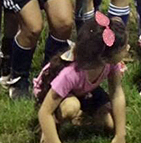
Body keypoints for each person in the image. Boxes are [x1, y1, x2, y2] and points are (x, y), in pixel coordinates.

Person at [35, 14, 128, 143]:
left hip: (84, 90)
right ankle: (52, 125)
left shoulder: (111, 63)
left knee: (110, 124)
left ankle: (82, 115)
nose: (127, 49)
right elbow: (44, 112)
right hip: (54, 92)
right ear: (104, 57)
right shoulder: (70, 74)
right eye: (123, 48)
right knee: (70, 107)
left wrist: (120, 135)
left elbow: (117, 94)